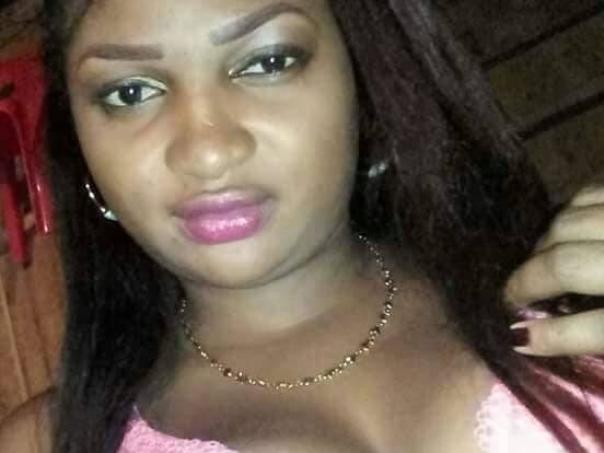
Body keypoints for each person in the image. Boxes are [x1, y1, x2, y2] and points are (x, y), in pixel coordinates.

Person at [1, 0, 603, 451]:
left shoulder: (576, 290)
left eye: (268, 62)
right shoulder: (48, 444)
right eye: (131, 92)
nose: (207, 151)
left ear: (364, 81)